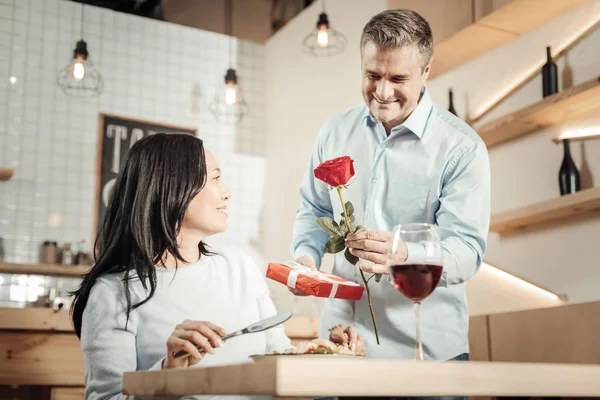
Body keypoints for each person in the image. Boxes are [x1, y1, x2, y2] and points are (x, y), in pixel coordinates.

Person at [71, 133, 364, 400]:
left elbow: (279, 364)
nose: (227, 192)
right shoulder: (112, 294)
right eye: (215, 179)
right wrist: (167, 375)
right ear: (174, 187)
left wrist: (327, 354)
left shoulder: (240, 266)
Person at [291, 6, 490, 383]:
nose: (382, 92)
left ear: (426, 71)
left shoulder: (462, 148)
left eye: (398, 77)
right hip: (340, 346)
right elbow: (313, 209)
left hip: (426, 355)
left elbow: (467, 251)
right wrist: (306, 258)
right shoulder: (333, 133)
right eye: (372, 75)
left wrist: (405, 256)